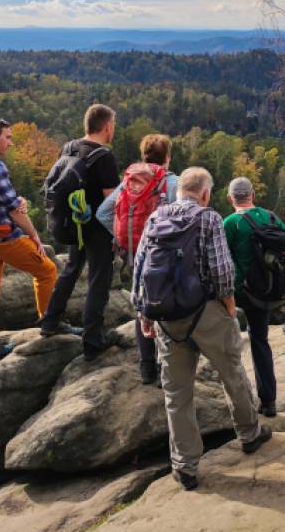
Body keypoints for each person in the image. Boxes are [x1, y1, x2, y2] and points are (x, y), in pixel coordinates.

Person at [135, 167, 271, 491]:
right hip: (205, 312)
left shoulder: (155, 218)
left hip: (168, 318)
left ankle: (185, 466)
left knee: (177, 393)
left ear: (178, 190)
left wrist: (144, 315)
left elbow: (141, 266)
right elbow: (223, 271)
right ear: (206, 193)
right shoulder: (208, 218)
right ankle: (250, 434)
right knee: (232, 373)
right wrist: (228, 307)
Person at [0, 118, 58, 363]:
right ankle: (51, 324)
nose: (10, 142)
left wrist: (17, 200)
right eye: (7, 137)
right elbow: (13, 210)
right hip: (2, 236)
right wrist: (34, 235)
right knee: (47, 270)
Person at [39, 104, 120, 361]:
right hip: (97, 228)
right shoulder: (104, 156)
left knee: (72, 269)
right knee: (99, 279)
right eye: (113, 126)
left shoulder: (69, 147)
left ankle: (50, 321)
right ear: (107, 127)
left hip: (74, 223)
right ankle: (93, 340)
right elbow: (112, 201)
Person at [96, 134, 179, 384]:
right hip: (165, 254)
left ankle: (146, 368)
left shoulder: (130, 182)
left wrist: (124, 236)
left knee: (143, 307)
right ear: (167, 157)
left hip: (135, 255)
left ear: (144, 155)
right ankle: (170, 366)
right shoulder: (172, 181)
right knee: (170, 308)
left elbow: (103, 213)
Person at [223, 176, 285, 417]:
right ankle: (268, 402)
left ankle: (236, 405)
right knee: (260, 340)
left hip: (241, 293)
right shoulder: (271, 217)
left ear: (231, 198)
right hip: (269, 291)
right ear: (253, 195)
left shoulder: (230, 223)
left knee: (226, 346)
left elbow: (220, 260)